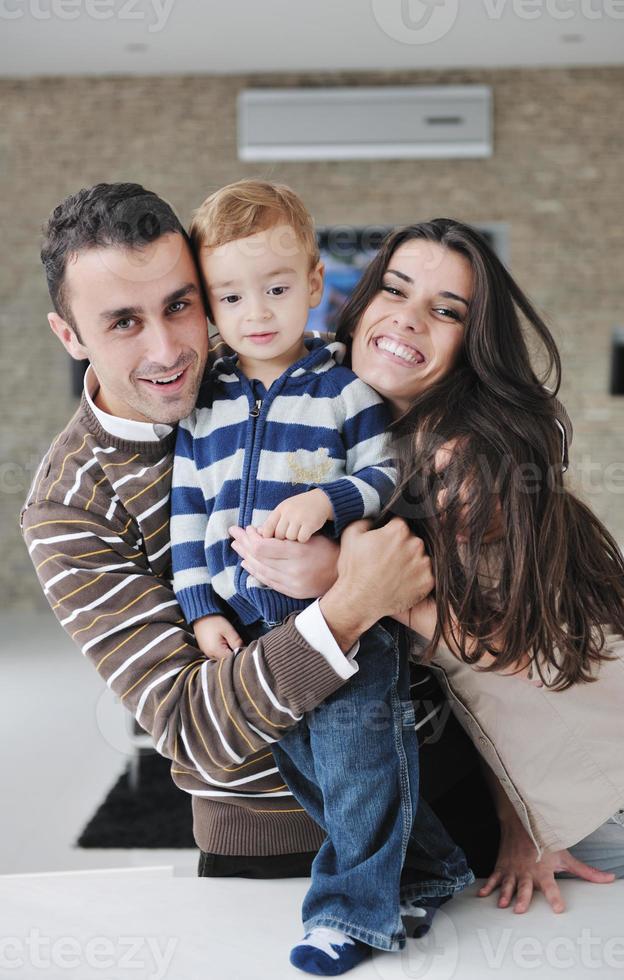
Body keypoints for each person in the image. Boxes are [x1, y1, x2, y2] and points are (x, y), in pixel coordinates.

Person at [19, 183, 439, 887]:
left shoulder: (314, 377)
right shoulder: (70, 505)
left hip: (440, 788)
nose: (167, 349)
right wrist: (351, 600)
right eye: (123, 322)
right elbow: (194, 727)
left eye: (180, 305)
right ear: (70, 336)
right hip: (274, 840)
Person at [235, 216, 624, 914]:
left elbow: (509, 652)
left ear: (471, 341)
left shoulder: (468, 456)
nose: (407, 319)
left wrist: (348, 584)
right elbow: (475, 698)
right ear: (361, 301)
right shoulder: (362, 440)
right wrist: (524, 826)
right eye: (394, 290)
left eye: (445, 310)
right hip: (584, 800)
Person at [170, 180, 471, 975]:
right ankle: (432, 866)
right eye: (230, 296)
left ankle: (347, 915)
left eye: (275, 288)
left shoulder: (345, 387)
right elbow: (188, 513)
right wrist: (201, 605)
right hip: (258, 629)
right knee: (312, 769)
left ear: (313, 284)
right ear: (208, 305)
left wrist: (324, 497)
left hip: (348, 612)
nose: (257, 312)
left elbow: (380, 476)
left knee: (356, 761)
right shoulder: (204, 406)